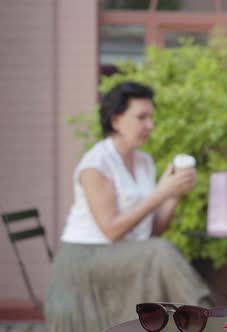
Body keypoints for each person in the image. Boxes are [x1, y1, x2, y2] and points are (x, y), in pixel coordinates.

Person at [44, 82, 210, 332]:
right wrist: (160, 193)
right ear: (115, 120)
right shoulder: (96, 163)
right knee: (160, 251)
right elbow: (111, 230)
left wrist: (173, 194)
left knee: (158, 248)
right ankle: (205, 314)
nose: (150, 125)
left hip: (124, 256)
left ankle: (200, 317)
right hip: (85, 259)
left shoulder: (144, 162)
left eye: (151, 117)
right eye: (141, 117)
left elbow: (152, 232)